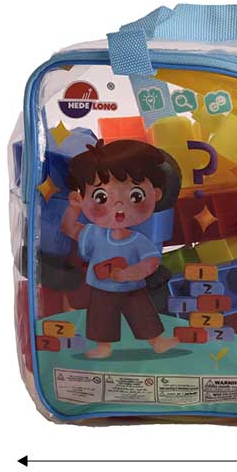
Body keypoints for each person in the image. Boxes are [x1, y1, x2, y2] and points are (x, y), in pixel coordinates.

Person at [61, 139, 181, 359]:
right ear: (81, 198)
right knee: (100, 317)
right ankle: (103, 346)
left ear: (156, 195)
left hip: (133, 288)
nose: (118, 207)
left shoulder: (138, 240)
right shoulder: (95, 233)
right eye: (101, 197)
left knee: (144, 314)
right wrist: (73, 209)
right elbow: (70, 228)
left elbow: (151, 262)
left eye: (135, 196)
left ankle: (157, 341)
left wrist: (129, 274)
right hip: (101, 288)